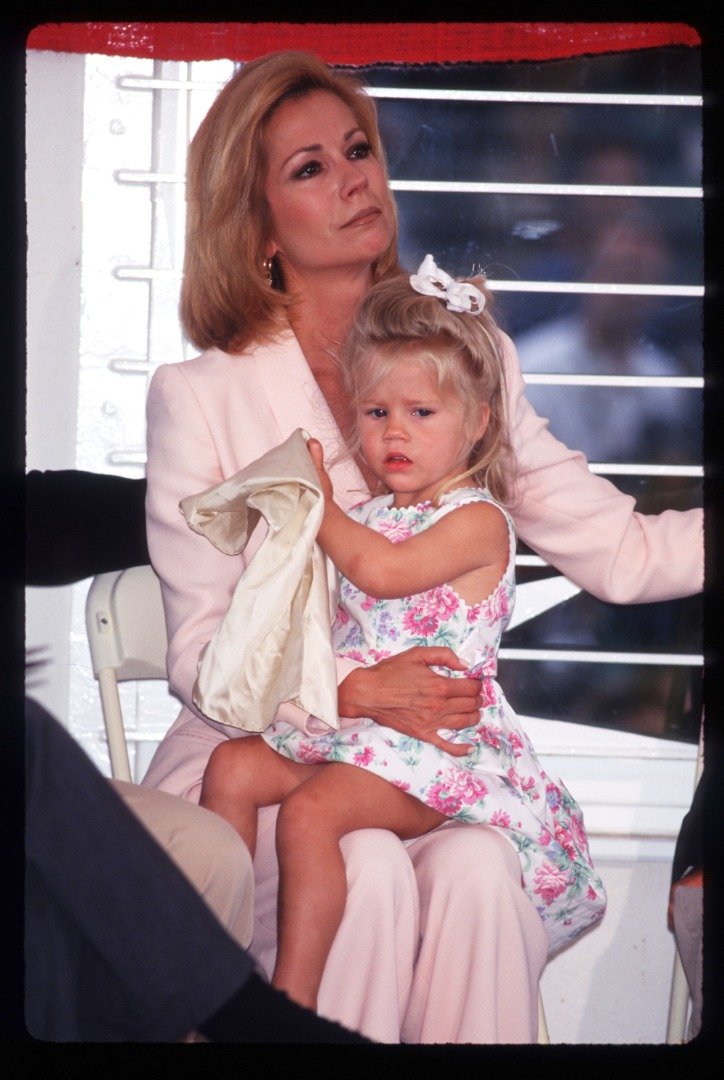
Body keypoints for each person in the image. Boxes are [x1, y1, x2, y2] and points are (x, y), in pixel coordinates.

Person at [140, 51, 703, 1043]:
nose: (357, 177)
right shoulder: (200, 398)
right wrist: (354, 691)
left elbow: (618, 552)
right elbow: (198, 658)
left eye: (358, 149)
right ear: (256, 225)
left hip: (426, 759)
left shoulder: (463, 351)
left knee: (484, 871)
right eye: (310, 167)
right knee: (370, 874)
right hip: (255, 755)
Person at [198, 262, 606, 1013]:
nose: (394, 432)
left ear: (480, 421)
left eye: (422, 414)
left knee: (311, 815)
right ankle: (213, 969)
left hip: (435, 754)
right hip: (360, 728)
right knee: (230, 768)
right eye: (377, 411)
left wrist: (317, 506)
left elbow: (381, 574)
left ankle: (288, 1002)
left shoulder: (476, 520)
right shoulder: (382, 510)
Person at [24, 694, 370, 1044]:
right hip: (291, 747)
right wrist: (348, 690)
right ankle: (256, 1012)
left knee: (213, 846)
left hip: (367, 759)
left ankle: (245, 1009)